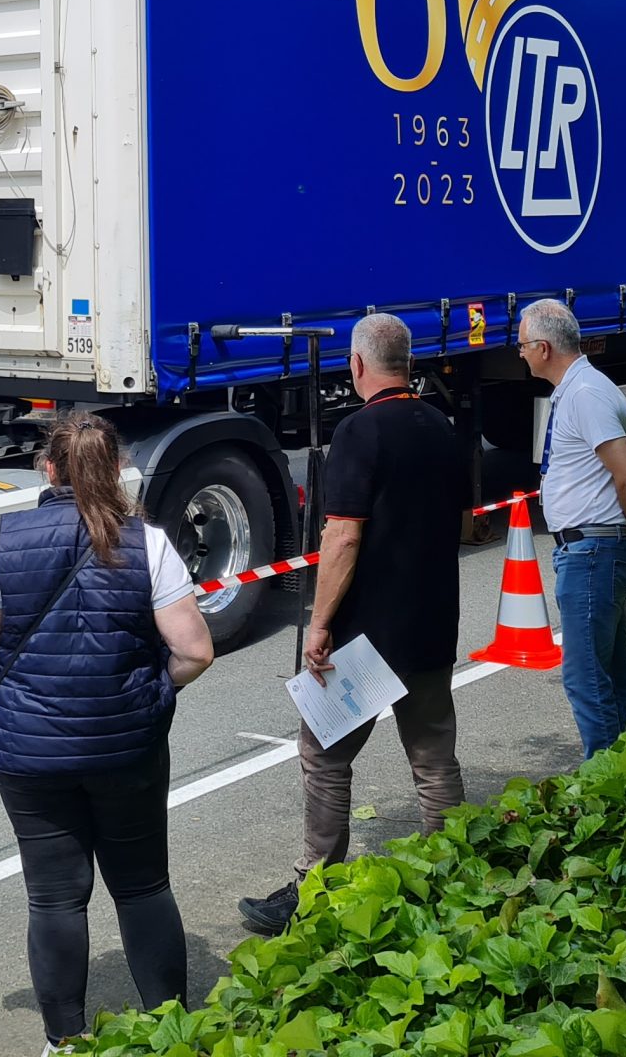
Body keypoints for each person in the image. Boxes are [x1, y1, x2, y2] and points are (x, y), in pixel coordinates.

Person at [0, 411, 215, 1050]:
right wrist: (151, 692)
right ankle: (170, 1030)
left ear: (49, 469)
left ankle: (65, 1040)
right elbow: (195, 650)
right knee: (143, 886)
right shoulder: (147, 543)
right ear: (117, 470)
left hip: (30, 753)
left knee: (55, 899)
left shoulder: (1, 541)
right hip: (129, 749)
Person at [238, 312, 467, 937]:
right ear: (409, 363)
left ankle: (312, 888)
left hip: (368, 634)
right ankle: (455, 879)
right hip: (432, 621)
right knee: (433, 758)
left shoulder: (359, 433)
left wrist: (318, 623)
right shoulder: (442, 426)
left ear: (358, 365)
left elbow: (341, 537)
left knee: (323, 756)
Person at [520, 299, 626, 757]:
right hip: (595, 548)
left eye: (522, 345)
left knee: (586, 677)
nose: (519, 353)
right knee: (613, 668)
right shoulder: (582, 388)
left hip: (593, 551)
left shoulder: (585, 394)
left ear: (543, 346)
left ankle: (608, 779)